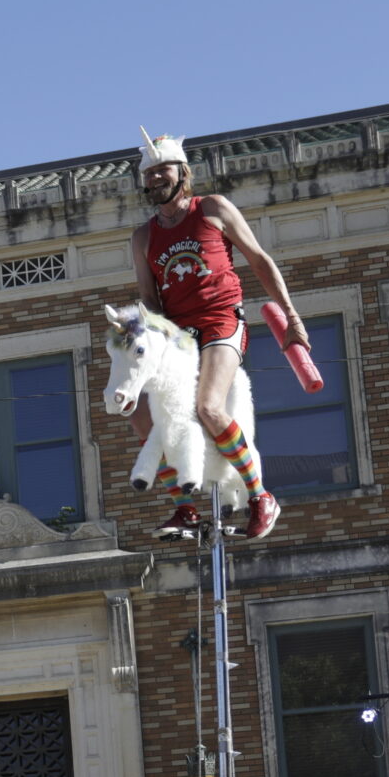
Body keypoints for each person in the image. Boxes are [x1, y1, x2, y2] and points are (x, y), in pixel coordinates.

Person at [133, 129, 305, 544]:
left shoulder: (212, 208)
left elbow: (259, 260)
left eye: (163, 170)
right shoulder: (143, 237)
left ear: (182, 172)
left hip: (221, 320)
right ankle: (185, 506)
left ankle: (260, 495)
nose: (156, 178)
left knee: (208, 406)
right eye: (149, 172)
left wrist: (292, 317)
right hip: (179, 336)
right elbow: (148, 299)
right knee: (139, 409)